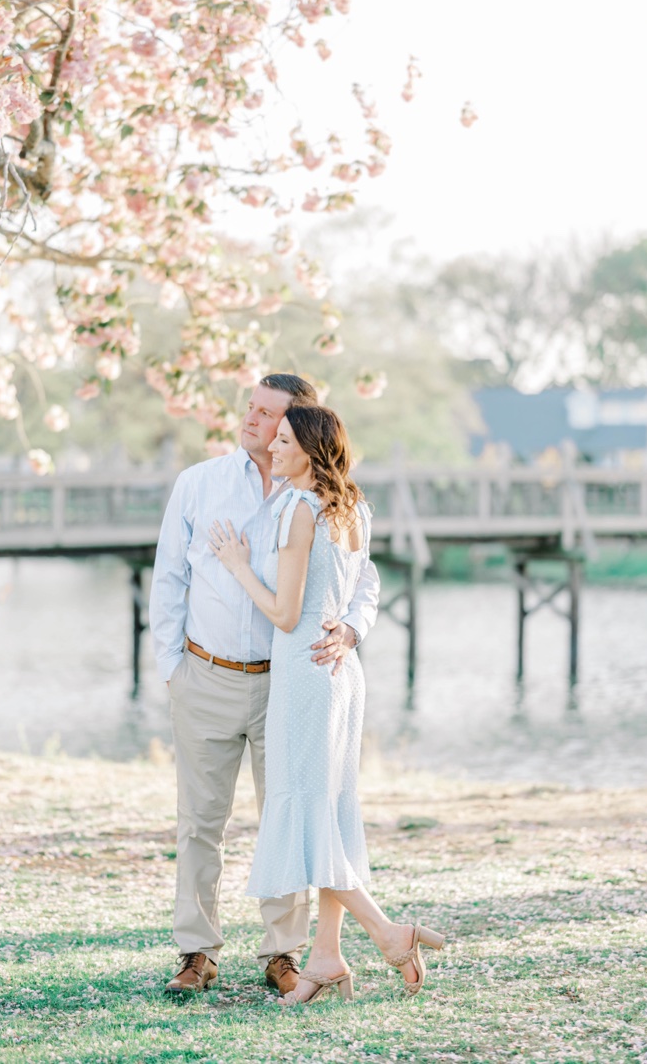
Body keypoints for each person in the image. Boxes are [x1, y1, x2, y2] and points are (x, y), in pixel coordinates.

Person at [149, 373, 380, 997]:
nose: (252, 421)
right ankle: (197, 951)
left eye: (269, 415)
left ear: (298, 428)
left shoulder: (318, 498)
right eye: (250, 409)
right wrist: (172, 666)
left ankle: (283, 952)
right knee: (200, 820)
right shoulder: (199, 484)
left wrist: (351, 629)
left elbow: (363, 579)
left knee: (287, 813)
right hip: (206, 673)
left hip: (289, 682)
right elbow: (168, 576)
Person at [207, 404, 444, 1005]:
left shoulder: (298, 510)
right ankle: (328, 956)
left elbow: (286, 615)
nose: (273, 447)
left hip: (305, 673)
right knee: (330, 813)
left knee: (312, 816)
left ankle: (389, 933)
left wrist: (236, 565)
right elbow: (353, 584)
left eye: (284, 441)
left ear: (311, 451)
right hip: (340, 671)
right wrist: (347, 631)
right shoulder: (353, 508)